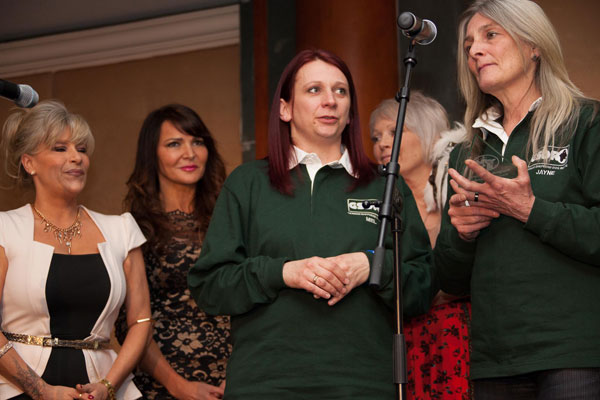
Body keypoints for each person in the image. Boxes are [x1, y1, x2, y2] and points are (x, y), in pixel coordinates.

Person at [187, 49, 436, 399]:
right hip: (265, 385)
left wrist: (369, 265)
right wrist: (283, 273)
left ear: (350, 113)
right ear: (285, 108)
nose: (330, 101)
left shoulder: (385, 187)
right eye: (314, 90)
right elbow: (209, 286)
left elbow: (424, 285)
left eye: (340, 91)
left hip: (364, 385)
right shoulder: (248, 183)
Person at [434, 0, 600, 398]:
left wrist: (530, 210)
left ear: (533, 45)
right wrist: (461, 235)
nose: (475, 50)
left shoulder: (586, 123)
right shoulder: (465, 152)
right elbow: (449, 279)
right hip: (494, 361)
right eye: (469, 43)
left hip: (573, 353)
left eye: (491, 35)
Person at [0, 100, 151, 400]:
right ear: (29, 163)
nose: (77, 158)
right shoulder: (5, 229)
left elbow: (141, 321)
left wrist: (109, 385)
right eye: (60, 148)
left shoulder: (121, 229)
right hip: (17, 389)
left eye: (81, 149)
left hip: (105, 390)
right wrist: (41, 391)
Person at [115, 104, 230, 400]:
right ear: (152, 155)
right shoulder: (133, 229)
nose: (189, 153)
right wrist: (177, 385)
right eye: (174, 144)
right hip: (164, 385)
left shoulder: (233, 220)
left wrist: (243, 373)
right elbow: (130, 323)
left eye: (197, 142)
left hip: (237, 379)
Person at [370, 93, 471, 399]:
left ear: (430, 134)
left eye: (395, 131)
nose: (382, 144)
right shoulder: (377, 209)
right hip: (396, 340)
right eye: (375, 137)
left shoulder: (460, 193)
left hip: (459, 337)